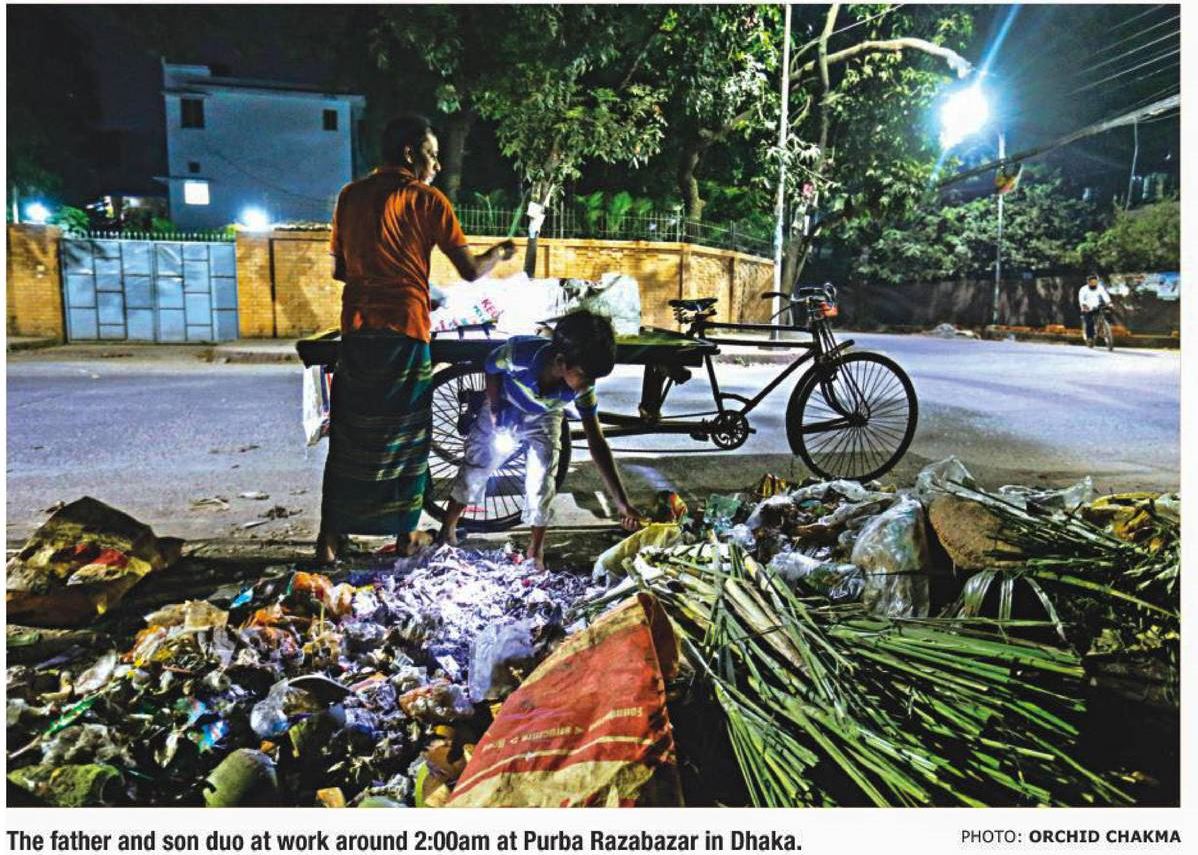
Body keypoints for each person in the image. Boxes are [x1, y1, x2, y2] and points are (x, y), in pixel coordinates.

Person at [317, 113, 517, 564]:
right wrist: (499, 253)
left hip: (358, 330)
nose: (437, 166)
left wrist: (379, 270)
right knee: (406, 436)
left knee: (351, 434)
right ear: (410, 154)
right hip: (405, 329)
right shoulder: (428, 201)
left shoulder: (350, 196)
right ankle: (406, 535)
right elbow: (470, 270)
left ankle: (328, 541)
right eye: (432, 155)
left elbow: (340, 270)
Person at [440, 311, 642, 569]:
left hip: (546, 414)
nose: (588, 384)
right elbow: (490, 367)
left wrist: (622, 503)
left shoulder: (582, 389)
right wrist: (495, 409)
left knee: (542, 478)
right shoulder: (519, 354)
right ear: (561, 361)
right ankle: (448, 529)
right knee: (478, 463)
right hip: (506, 401)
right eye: (584, 375)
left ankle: (536, 550)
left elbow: (597, 442)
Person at [1078, 273, 1112, 348]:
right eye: (1092, 282)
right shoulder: (1083, 289)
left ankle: (1105, 329)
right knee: (1089, 323)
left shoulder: (1100, 288)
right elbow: (1081, 298)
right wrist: (1084, 305)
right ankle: (1090, 338)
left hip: (1098, 306)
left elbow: (1105, 296)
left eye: (1095, 281)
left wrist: (1109, 302)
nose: (1094, 283)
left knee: (1106, 313)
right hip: (1087, 307)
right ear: (1088, 282)